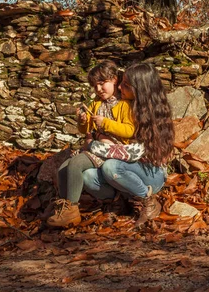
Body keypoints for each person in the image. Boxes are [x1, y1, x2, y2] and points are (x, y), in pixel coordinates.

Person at [46, 60, 139, 228]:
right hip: (96, 148)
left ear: (114, 80)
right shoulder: (96, 104)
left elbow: (129, 131)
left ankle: (72, 210)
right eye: (95, 86)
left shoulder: (124, 104)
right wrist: (82, 121)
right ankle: (63, 208)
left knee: (75, 164)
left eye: (102, 84)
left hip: (113, 150)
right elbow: (86, 130)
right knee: (62, 169)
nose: (98, 89)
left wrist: (106, 123)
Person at [83, 62, 175, 227]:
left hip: (150, 174)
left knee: (111, 167)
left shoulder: (151, 115)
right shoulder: (121, 106)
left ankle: (148, 201)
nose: (119, 86)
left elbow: (132, 152)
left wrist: (94, 145)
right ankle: (119, 202)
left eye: (125, 84)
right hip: (125, 172)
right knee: (88, 176)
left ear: (140, 89)